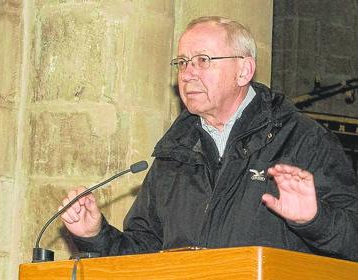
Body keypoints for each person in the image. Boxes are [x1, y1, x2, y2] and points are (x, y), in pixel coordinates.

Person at [59, 16, 358, 261]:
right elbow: (143, 254)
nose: (188, 74)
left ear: (243, 71)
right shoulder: (174, 153)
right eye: (182, 62)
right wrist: (95, 235)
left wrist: (315, 219)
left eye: (203, 60)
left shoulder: (303, 140)